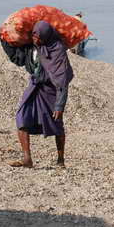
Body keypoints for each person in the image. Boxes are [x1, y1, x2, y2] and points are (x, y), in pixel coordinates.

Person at [11, 21, 74, 168]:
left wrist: (59, 105)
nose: (34, 38)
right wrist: (4, 38)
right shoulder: (32, 46)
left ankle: (60, 160)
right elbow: (17, 57)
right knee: (22, 116)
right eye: (33, 34)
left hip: (52, 91)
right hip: (35, 87)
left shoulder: (57, 51)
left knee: (56, 123)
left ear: (45, 36)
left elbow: (62, 81)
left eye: (37, 35)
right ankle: (27, 159)